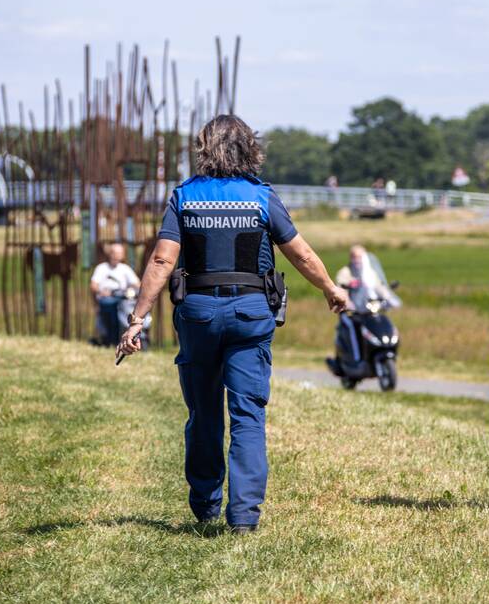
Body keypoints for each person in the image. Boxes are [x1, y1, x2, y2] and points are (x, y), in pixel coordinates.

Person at [117, 115, 347, 534]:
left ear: (204, 148)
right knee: (247, 415)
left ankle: (206, 507)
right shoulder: (261, 196)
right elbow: (301, 253)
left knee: (203, 413)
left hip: (198, 316)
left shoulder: (185, 196)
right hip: (250, 316)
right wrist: (330, 289)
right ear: (249, 148)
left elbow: (163, 260)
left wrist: (137, 320)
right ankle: (243, 517)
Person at [331, 245, 401, 368]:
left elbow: (379, 287)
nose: (357, 260)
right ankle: (355, 360)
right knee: (352, 330)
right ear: (351, 257)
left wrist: (390, 298)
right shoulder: (345, 272)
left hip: (368, 310)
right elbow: (339, 287)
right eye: (355, 257)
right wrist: (347, 293)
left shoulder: (369, 272)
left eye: (360, 257)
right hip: (351, 312)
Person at [89, 243, 141, 346]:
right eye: (115, 253)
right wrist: (101, 292)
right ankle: (109, 338)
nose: (117, 256)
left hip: (122, 298)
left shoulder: (125, 269)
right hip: (107, 299)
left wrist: (136, 288)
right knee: (108, 306)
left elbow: (137, 284)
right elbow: (93, 285)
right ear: (110, 254)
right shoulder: (101, 268)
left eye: (119, 253)